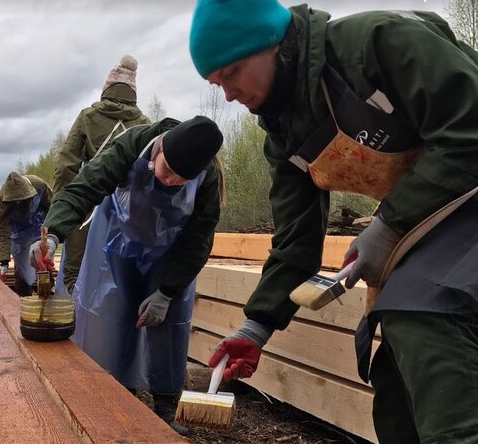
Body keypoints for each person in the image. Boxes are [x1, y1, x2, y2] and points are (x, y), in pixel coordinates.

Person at [189, 1, 478, 442]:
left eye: (231, 73)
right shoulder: (285, 132)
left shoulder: (377, 43)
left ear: (270, 43)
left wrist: (392, 224)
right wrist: (256, 326)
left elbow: (469, 129)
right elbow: (295, 241)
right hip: (440, 206)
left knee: (424, 314)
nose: (227, 94)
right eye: (215, 83)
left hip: (467, 181)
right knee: (396, 374)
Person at [31, 116, 224, 434]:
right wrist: (52, 236)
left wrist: (167, 292)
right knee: (111, 318)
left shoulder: (207, 176)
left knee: (169, 323)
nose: (172, 181)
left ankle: (165, 406)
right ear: (159, 148)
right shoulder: (130, 146)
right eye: (168, 171)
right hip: (117, 246)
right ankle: (118, 398)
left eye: (182, 180)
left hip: (171, 253)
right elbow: (81, 190)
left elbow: (199, 239)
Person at [53, 54, 151, 296]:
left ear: (107, 88)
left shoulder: (89, 117)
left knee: (76, 274)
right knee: (122, 278)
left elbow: (66, 167)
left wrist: (64, 209)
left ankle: (76, 328)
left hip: (89, 203)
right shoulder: (145, 123)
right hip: (128, 214)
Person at [0, 172, 53, 296]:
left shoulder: (39, 185)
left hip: (39, 227)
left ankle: (47, 295)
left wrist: (52, 232)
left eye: (22, 200)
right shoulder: (1, 201)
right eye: (15, 201)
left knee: (44, 264)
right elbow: (1, 230)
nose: (19, 203)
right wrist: (4, 261)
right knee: (22, 271)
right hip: (19, 234)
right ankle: (24, 300)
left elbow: (53, 207)